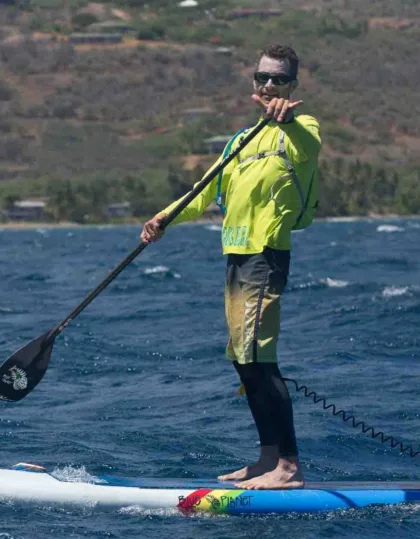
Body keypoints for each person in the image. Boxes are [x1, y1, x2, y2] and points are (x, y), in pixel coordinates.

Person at [140, 44, 320, 490]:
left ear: (293, 86)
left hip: (267, 254)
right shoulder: (239, 140)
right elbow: (202, 193)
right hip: (235, 256)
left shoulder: (301, 128)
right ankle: (266, 459)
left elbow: (308, 146)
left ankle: (290, 468)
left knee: (261, 358)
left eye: (279, 79)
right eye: (263, 78)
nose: (269, 86)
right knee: (244, 361)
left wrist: (288, 119)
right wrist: (164, 217)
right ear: (253, 81)